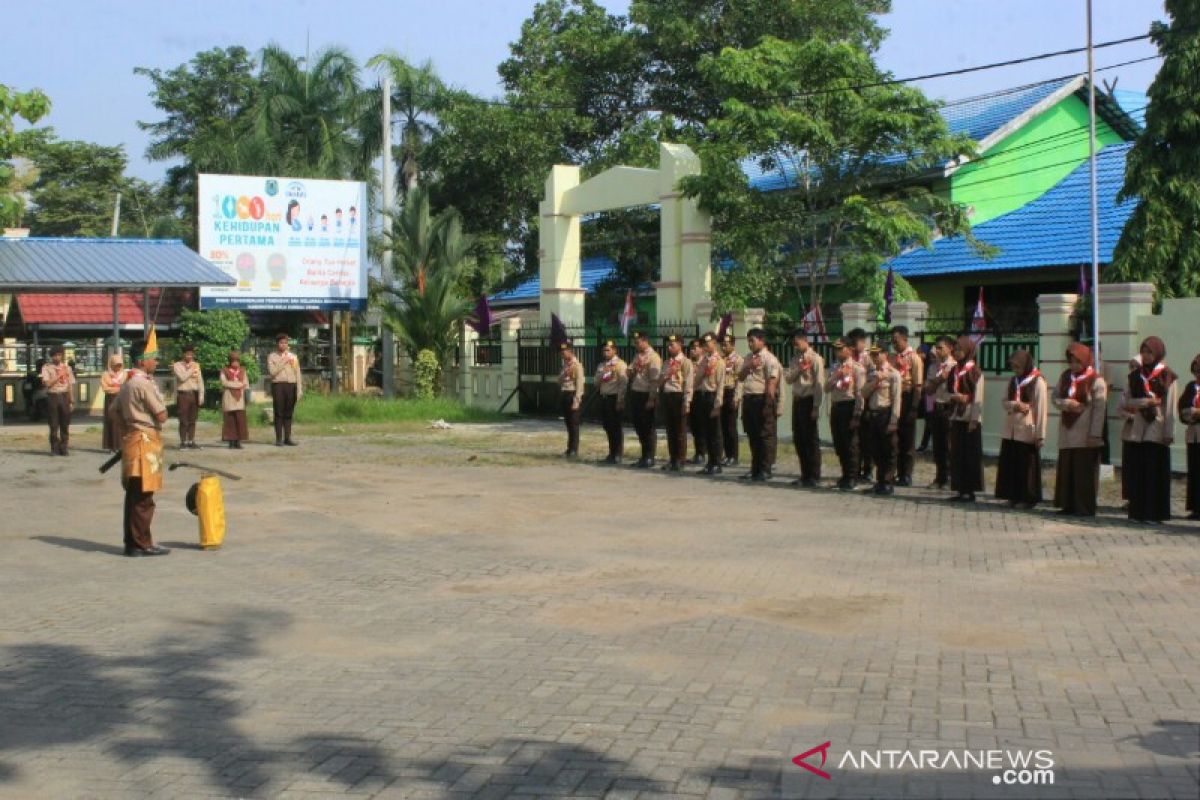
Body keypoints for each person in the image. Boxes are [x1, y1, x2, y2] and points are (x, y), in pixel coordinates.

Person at [112, 331, 169, 557]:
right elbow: (162, 415)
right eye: (153, 357)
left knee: (134, 496)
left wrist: (126, 428)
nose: (156, 361)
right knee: (144, 498)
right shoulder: (142, 384)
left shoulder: (127, 383)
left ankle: (132, 543)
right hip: (145, 442)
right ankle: (142, 543)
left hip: (132, 440)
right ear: (142, 360)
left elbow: (112, 411)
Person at [1122, 336, 1178, 524]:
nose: (1146, 356)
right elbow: (1127, 401)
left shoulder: (1167, 375)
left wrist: (1169, 432)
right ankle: (1138, 511)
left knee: (1154, 472)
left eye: (1150, 352)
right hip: (1138, 427)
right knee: (1139, 471)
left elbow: (1170, 407)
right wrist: (1146, 402)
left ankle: (1154, 513)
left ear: (1158, 353)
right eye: (1143, 352)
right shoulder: (1135, 376)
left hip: (1157, 428)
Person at [1052, 343, 1107, 517]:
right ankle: (1067, 504)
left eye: (1077, 361)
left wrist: (1095, 433)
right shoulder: (1065, 376)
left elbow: (1099, 409)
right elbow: (1055, 396)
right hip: (1068, 429)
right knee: (1067, 468)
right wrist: (1065, 404)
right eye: (1071, 361)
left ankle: (1083, 507)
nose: (1073, 365)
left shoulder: (1096, 380)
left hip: (1085, 430)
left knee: (1083, 471)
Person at [995, 350, 1048, 509]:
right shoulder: (1013, 381)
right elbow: (1005, 402)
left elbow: (1041, 408)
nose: (1016, 370)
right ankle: (1013, 495)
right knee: (1012, 464)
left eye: (1018, 367)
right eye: (1013, 367)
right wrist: (1015, 405)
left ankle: (1028, 498)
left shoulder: (1037, 381)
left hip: (1027, 429)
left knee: (1027, 466)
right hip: (1011, 428)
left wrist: (1040, 435)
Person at [738, 328, 781, 482]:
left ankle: (765, 469)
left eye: (752, 341)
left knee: (765, 436)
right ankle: (755, 468)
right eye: (748, 341)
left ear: (761, 340)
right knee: (752, 435)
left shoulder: (770, 359)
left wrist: (768, 404)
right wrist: (749, 365)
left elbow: (771, 381)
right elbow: (741, 377)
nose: (750, 344)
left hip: (762, 399)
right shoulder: (748, 357)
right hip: (749, 399)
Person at [784, 329, 825, 487]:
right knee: (799, 438)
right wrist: (799, 369)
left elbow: (819, 384)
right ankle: (804, 474)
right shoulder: (795, 359)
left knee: (810, 440)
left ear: (805, 340)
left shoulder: (816, 359)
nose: (795, 345)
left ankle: (814, 475)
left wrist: (816, 406)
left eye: (797, 342)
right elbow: (788, 378)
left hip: (809, 400)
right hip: (797, 400)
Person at [947, 336, 984, 503]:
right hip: (957, 415)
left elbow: (979, 397)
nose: (956, 353)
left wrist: (974, 419)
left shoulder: (975, 371)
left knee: (970, 455)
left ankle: (970, 490)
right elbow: (948, 390)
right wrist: (953, 397)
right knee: (957, 454)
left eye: (959, 350)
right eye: (955, 350)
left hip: (969, 416)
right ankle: (960, 488)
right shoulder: (954, 370)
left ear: (968, 350)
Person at [861, 345, 901, 495]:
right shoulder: (872, 373)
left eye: (877, 354)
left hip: (886, 414)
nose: (874, 357)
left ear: (885, 354)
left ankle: (888, 482)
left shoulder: (893, 374)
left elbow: (897, 399)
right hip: (873, 414)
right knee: (875, 449)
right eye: (872, 354)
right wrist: (875, 381)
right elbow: (864, 393)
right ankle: (880, 481)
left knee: (889, 450)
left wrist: (894, 420)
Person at [826, 339, 865, 490]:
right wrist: (837, 375)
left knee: (851, 444)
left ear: (849, 350)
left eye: (840, 349)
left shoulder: (857, 368)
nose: (837, 352)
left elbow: (860, 394)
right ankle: (844, 474)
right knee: (839, 443)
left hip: (849, 407)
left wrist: (857, 414)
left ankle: (852, 476)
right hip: (836, 406)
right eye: (836, 349)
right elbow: (826, 388)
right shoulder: (834, 367)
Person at [890, 326, 925, 487]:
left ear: (905, 339)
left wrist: (914, 407)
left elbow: (918, 384)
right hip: (894, 398)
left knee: (907, 439)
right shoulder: (892, 358)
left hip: (908, 397)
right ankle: (897, 471)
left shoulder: (914, 358)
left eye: (896, 341)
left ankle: (907, 474)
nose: (894, 344)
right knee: (895, 438)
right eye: (892, 342)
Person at [923, 336, 957, 490]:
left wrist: (939, 380)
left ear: (950, 348)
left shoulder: (954, 366)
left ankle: (950, 478)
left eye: (941, 347)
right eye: (936, 347)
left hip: (949, 408)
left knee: (949, 445)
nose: (937, 350)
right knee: (937, 446)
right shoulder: (933, 366)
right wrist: (938, 380)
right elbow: (928, 389)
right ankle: (940, 477)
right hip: (936, 407)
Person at [658, 334, 694, 472]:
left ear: (680, 345)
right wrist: (667, 374)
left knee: (680, 430)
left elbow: (688, 384)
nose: (669, 347)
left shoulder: (686, 362)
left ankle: (680, 459)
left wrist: (687, 401)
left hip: (679, 397)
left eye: (672, 345)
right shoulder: (667, 363)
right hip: (668, 396)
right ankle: (672, 458)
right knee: (670, 430)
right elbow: (660, 382)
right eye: (668, 345)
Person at [628, 332, 663, 468]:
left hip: (646, 394)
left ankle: (649, 456)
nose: (635, 345)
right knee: (639, 426)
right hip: (636, 392)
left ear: (645, 341)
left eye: (637, 342)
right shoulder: (638, 356)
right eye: (635, 343)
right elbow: (630, 371)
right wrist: (631, 370)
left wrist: (651, 398)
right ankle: (643, 455)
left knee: (647, 427)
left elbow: (655, 380)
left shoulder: (653, 357)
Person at [694, 333, 726, 475]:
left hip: (712, 397)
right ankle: (710, 462)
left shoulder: (719, 361)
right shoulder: (703, 361)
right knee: (706, 431)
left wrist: (718, 405)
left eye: (708, 343)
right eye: (704, 344)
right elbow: (697, 380)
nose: (706, 346)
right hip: (702, 396)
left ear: (714, 342)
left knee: (715, 433)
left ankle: (716, 463)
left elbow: (720, 385)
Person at [847, 328, 874, 482]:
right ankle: (855, 469)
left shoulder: (868, 357)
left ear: (863, 342)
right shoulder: (849, 357)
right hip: (853, 400)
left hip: (867, 400)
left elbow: (873, 376)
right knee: (854, 438)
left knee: (866, 437)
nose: (853, 346)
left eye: (855, 342)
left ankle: (868, 469)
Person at [595, 340, 628, 464]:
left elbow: (623, 384)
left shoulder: (620, 365)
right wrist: (602, 374)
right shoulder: (601, 366)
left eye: (608, 350)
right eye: (604, 350)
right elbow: (596, 383)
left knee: (616, 427)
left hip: (614, 398)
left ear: (615, 350)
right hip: (604, 397)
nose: (606, 352)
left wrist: (620, 400)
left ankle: (618, 453)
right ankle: (611, 453)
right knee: (607, 426)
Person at [268, 333, 303, 446]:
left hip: (291, 385)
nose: (284, 345)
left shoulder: (293, 356)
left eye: (285, 343)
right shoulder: (272, 356)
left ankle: (288, 438)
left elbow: (297, 373)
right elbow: (272, 372)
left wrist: (299, 389)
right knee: (279, 412)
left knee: (289, 413)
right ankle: (279, 439)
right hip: (278, 385)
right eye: (281, 343)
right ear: (277, 344)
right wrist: (283, 361)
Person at [40, 345, 75, 456]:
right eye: (55, 355)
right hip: (53, 396)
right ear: (51, 356)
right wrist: (58, 375)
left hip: (64, 396)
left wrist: (71, 400)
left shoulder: (67, 368)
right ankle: (54, 448)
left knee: (65, 423)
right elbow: (47, 384)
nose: (57, 357)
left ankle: (64, 447)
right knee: (53, 424)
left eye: (59, 355)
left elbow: (70, 385)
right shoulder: (47, 368)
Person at [1179, 353, 1200, 521]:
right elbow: (1183, 404)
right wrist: (1186, 414)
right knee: (1195, 471)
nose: (1197, 374)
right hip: (1194, 434)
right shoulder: (1191, 387)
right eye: (1196, 371)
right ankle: (1196, 508)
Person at [173, 344, 204, 450]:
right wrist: (191, 370)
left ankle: (191, 441)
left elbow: (200, 381)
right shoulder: (177, 365)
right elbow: (182, 378)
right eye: (187, 354)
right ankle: (183, 442)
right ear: (183, 354)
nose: (190, 356)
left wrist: (201, 394)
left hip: (194, 393)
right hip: (183, 394)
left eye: (191, 354)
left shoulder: (196, 365)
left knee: (193, 419)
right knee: (183, 419)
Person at [558, 342, 585, 459]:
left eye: (565, 352)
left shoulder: (577, 365)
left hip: (572, 394)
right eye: (561, 352)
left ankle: (574, 449)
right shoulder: (565, 365)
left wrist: (577, 400)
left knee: (574, 424)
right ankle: (569, 448)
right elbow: (559, 381)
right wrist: (563, 375)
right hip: (564, 394)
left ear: (570, 351)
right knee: (568, 423)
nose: (563, 354)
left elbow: (580, 383)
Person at [719, 334, 743, 466]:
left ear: (733, 345)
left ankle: (733, 456)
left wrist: (737, 396)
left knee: (731, 426)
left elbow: (740, 380)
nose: (723, 346)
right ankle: (726, 454)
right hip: (722, 392)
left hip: (731, 392)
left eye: (726, 344)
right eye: (722, 344)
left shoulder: (738, 360)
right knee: (722, 425)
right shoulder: (721, 359)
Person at [221, 350, 251, 449]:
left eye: (237, 361)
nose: (236, 363)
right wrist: (238, 385)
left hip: (239, 399)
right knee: (230, 420)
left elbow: (246, 383)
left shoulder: (242, 370)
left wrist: (245, 392)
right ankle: (231, 441)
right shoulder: (224, 370)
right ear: (230, 361)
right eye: (233, 361)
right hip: (229, 397)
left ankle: (238, 441)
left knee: (240, 420)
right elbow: (224, 383)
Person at [100, 353, 127, 453]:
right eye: (116, 364)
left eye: (120, 364)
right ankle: (110, 445)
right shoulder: (105, 375)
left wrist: (115, 387)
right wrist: (118, 388)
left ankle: (121, 445)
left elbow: (125, 387)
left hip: (122, 400)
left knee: (121, 421)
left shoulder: (124, 374)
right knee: (110, 421)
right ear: (111, 364)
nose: (118, 366)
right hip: (110, 399)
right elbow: (105, 388)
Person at [687, 339, 708, 464]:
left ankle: (703, 452)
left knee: (702, 426)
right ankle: (698, 452)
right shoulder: (688, 363)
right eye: (691, 348)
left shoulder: (706, 362)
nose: (692, 350)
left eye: (695, 348)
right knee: (694, 425)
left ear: (702, 349)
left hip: (702, 395)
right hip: (691, 395)